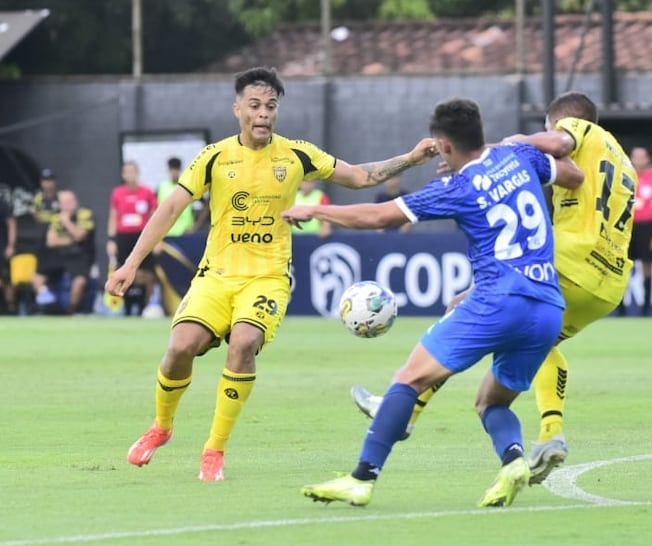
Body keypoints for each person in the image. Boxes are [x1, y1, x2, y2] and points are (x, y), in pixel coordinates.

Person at [104, 66, 438, 482]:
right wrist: (131, 263)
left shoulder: (297, 154)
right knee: (179, 347)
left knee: (243, 343)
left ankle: (214, 449)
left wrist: (410, 158)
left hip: (267, 278)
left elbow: (355, 176)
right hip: (216, 276)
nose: (263, 114)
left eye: (271, 106)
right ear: (238, 109)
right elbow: (170, 208)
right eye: (255, 106)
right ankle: (161, 426)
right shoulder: (213, 157)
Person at [282, 97, 584, 507]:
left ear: (443, 146)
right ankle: (513, 460)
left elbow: (377, 218)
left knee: (408, 379)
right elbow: (574, 176)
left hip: (499, 300)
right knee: (490, 401)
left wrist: (315, 212)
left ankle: (362, 477)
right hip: (547, 307)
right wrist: (506, 156)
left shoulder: (454, 188)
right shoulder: (516, 154)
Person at [350, 91, 637, 486]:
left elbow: (559, 143)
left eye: (546, 127)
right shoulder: (622, 160)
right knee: (540, 343)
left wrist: (511, 144)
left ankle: (406, 410)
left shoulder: (578, 128)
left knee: (465, 312)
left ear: (559, 120)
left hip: (568, 261)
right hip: (609, 282)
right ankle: (552, 435)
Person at [618, 146, 652, 316]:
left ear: (648, 159)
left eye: (641, 157)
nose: (638, 160)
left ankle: (645, 309)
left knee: (646, 266)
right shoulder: (624, 175)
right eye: (635, 157)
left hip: (648, 226)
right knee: (623, 267)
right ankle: (621, 308)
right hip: (628, 225)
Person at [106, 160, 158, 316]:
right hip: (124, 238)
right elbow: (113, 216)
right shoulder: (117, 193)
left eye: (132, 171)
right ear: (123, 175)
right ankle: (127, 308)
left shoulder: (147, 192)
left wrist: (157, 239)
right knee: (122, 271)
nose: (130, 175)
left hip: (142, 237)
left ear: (138, 173)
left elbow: (155, 215)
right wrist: (111, 239)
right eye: (127, 172)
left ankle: (145, 307)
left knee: (147, 274)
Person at [32, 190, 95, 314]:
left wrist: (66, 222)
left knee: (79, 282)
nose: (67, 205)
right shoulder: (56, 217)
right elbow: (51, 242)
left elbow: (80, 236)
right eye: (64, 202)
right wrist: (71, 240)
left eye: (69, 201)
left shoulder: (85, 214)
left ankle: (70, 311)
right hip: (59, 256)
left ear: (75, 202)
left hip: (78, 255)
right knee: (36, 278)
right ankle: (51, 307)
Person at [157, 157, 196, 237]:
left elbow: (204, 205)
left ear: (180, 169)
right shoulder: (161, 187)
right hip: (166, 232)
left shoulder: (188, 186)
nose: (174, 172)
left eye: (176, 169)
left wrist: (195, 226)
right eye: (172, 169)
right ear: (168, 170)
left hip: (186, 232)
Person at [0, 195, 17, 314]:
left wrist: (11, 245)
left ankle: (11, 307)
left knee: (6, 278)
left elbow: (11, 223)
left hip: (1, 247)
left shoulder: (1, 202)